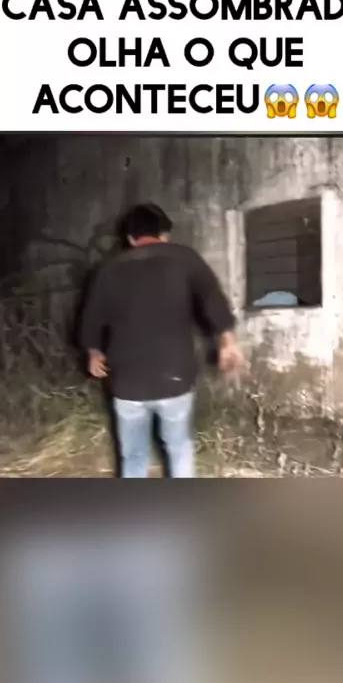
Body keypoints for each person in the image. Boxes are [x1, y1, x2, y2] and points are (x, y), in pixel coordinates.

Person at [80, 203, 244, 478]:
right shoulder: (185, 258)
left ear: (130, 238)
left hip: (127, 382)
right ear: (164, 234)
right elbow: (212, 298)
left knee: (133, 455)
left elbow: (91, 317)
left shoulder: (108, 269)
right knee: (178, 449)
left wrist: (93, 351)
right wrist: (227, 339)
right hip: (174, 377)